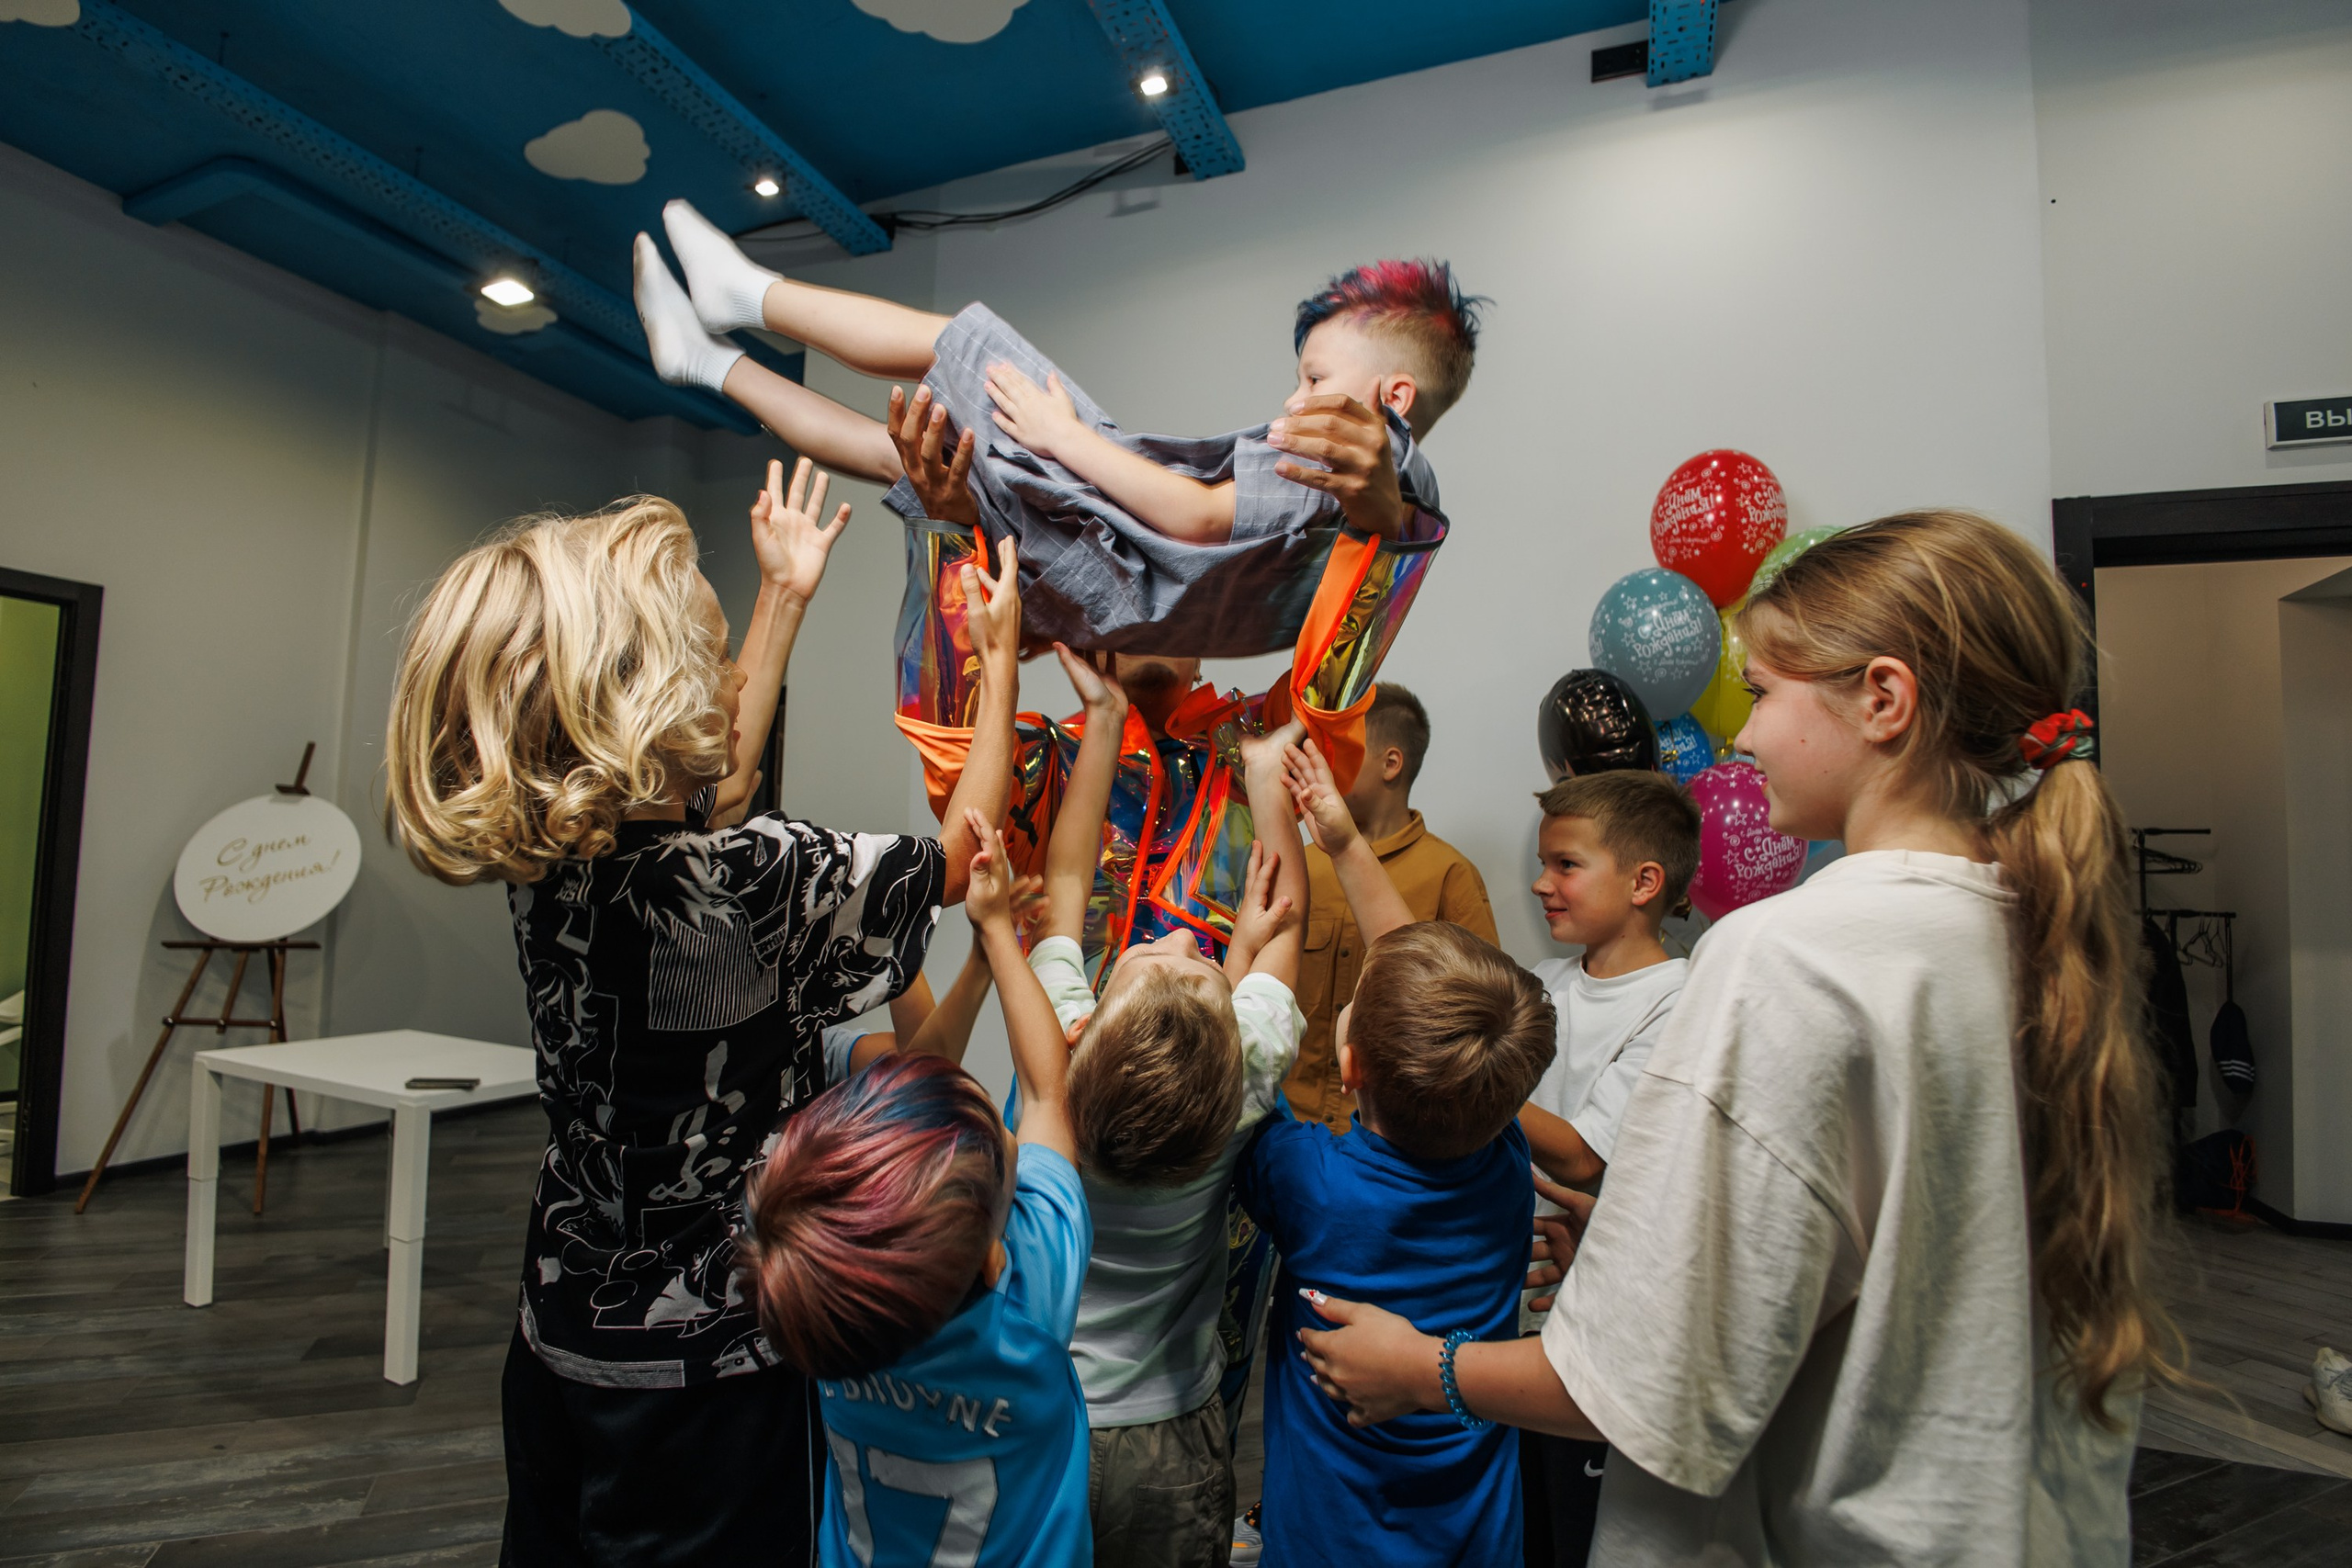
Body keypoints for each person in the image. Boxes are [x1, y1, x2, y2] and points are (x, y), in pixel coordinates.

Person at [1296, 511, 2177, 1567]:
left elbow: (1646, 1384)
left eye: (1762, 694)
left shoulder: (1788, 954)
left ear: (1883, 700)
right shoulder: (2037, 933)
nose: (1744, 735)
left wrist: (1423, 1369)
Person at [381, 457, 1023, 1566]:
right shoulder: (765, 881)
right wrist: (1000, 659)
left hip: (561, 1329)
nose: (728, 685)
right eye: (708, 662)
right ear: (658, 704)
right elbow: (966, 853)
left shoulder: (554, 856)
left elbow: (704, 795)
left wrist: (784, 596)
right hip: (715, 1369)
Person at [633, 199, 1477, 653]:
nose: (1296, 400)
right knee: (886, 453)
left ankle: (749, 299)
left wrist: (1064, 436)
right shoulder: (1406, 504)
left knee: (956, 345)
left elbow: (1192, 514)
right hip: (1108, 583)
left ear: (1393, 396)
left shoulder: (1339, 456)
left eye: (1317, 378)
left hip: (1112, 535)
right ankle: (709, 363)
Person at [1011, 645, 1307, 1566]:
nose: (1180, 928)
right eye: (1192, 950)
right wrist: (1267, 780)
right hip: (1171, 1431)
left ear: (1093, 1015)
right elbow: (1286, 918)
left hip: (1044, 1418)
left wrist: (1098, 725)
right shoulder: (1238, 1091)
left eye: (1161, 950)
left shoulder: (1061, 1066)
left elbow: (1064, 893)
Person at [1232, 737, 1555, 1567]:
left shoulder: (1311, 1181)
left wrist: (1246, 949)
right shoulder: (1502, 1150)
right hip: (1473, 1541)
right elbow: (1428, 983)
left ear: (1348, 1067)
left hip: (1330, 1545)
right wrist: (1342, 838)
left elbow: (1241, 1075)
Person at [742, 811, 1092, 1568]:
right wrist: (999, 934)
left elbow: (960, 1090)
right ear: (997, 1258)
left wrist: (971, 946)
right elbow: (1046, 1096)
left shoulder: (833, 1317)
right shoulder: (1029, 1314)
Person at [1515, 769, 1699, 1568]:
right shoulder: (1551, 985)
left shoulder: (1677, 997)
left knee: (1576, 1530)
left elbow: (1583, 1151)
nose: (1541, 881)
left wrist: (1458, 1075)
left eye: (1565, 864)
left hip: (1597, 1322)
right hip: (1523, 1309)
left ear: (1643, 882)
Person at [1286, 682, 1498, 1134]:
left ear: (1391, 762)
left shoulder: (1450, 876)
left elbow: (1483, 1028)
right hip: (1289, 1129)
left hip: (1392, 1140)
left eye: (1341, 748)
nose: (1323, 761)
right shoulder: (1302, 864)